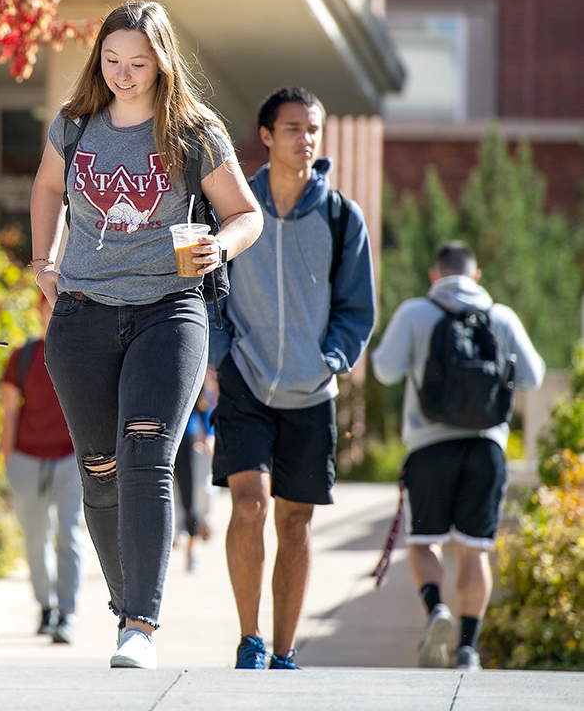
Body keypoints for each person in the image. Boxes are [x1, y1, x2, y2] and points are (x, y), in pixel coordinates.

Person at [30, 0, 263, 669]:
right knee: (98, 470)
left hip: (170, 308)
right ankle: (124, 599)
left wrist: (223, 245)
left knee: (146, 455)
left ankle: (142, 624)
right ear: (98, 59)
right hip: (81, 315)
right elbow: (47, 189)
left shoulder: (193, 130)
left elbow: (245, 214)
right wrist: (43, 260)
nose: (124, 75)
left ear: (162, 62)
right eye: (112, 61)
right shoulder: (74, 126)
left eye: (138, 63)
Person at [208, 86, 376, 670]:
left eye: (312, 130)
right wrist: (221, 354)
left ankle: (284, 650)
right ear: (266, 137)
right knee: (249, 501)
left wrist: (329, 359)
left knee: (296, 519)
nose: (304, 139)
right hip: (246, 381)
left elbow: (358, 308)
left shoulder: (339, 215)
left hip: (311, 390)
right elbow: (209, 290)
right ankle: (249, 638)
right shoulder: (234, 208)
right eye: (292, 129)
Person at [371, 240, 544, 672]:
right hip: (487, 447)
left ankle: (436, 611)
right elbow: (534, 376)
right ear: (476, 275)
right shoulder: (500, 316)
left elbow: (384, 369)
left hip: (429, 448)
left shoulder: (415, 312)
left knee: (424, 541)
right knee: (475, 550)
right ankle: (467, 649)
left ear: (435, 274)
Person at [0, 295, 85, 645]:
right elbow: (8, 413)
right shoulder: (22, 357)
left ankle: (67, 613)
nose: (53, 311)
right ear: (38, 310)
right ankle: (45, 607)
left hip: (70, 460)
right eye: (48, 305)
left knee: (69, 534)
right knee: (36, 541)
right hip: (27, 460)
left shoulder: (82, 356)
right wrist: (9, 461)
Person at [173, 371, 216, 572]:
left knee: (190, 495)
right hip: (163, 438)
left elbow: (203, 406)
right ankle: (173, 536)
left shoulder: (192, 364)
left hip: (187, 439)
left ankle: (192, 545)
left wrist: (208, 435)